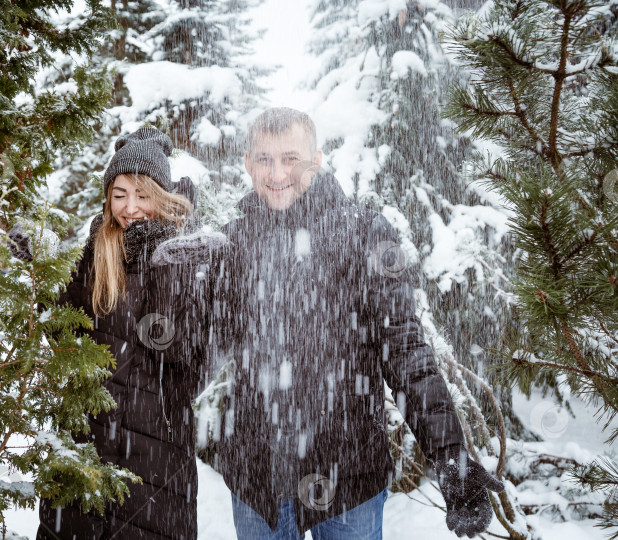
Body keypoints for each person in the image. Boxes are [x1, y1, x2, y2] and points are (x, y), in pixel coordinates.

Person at [210, 107, 504, 539]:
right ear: (247, 163)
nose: (276, 173)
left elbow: (405, 352)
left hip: (348, 478)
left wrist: (449, 455)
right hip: (260, 482)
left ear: (318, 159)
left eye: (290, 158)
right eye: (264, 159)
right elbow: (200, 347)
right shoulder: (233, 242)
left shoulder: (363, 233)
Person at [32, 127, 207, 540]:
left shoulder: (189, 253)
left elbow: (184, 360)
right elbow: (65, 332)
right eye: (120, 195)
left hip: (155, 454)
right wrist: (39, 271)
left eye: (143, 195)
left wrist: (168, 261)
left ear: (161, 196)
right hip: (87, 438)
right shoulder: (98, 251)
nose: (131, 208)